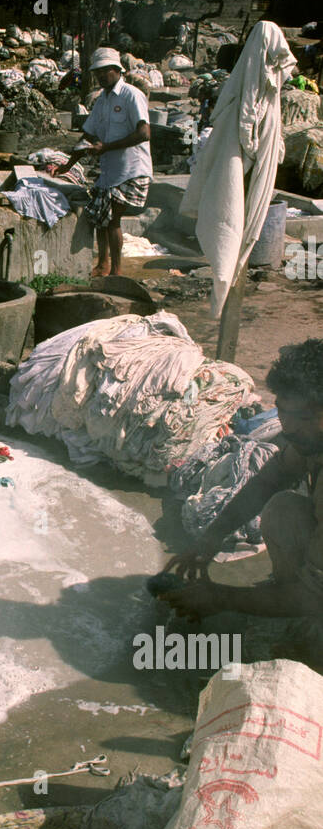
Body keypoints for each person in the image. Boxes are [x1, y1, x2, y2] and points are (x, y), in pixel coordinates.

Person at [158, 340, 323, 627]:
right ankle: (292, 604)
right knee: (284, 510)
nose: (289, 426)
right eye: (284, 411)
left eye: (305, 417)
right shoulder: (310, 439)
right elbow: (268, 480)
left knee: (312, 604)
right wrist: (212, 536)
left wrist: (222, 598)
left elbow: (317, 598)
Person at [60, 47, 152, 277]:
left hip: (132, 169)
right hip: (111, 171)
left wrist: (106, 147)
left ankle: (116, 272)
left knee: (111, 219)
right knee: (100, 218)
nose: (100, 76)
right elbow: (88, 135)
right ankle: (103, 265)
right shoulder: (102, 100)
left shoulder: (132, 95)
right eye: (97, 72)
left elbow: (144, 133)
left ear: (116, 70)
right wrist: (67, 165)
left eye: (104, 71)